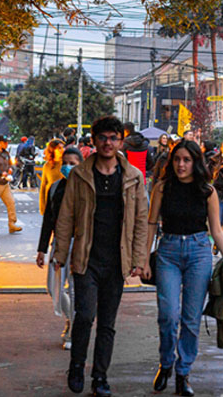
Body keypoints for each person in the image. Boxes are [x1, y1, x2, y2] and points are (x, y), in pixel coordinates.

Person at [54, 116, 149, 396]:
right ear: (94, 141)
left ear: (121, 141)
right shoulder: (80, 174)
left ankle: (100, 377)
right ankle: (76, 365)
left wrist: (139, 259)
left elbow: (141, 220)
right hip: (87, 258)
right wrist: (60, 253)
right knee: (84, 315)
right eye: (103, 137)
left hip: (117, 260)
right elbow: (66, 214)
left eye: (113, 138)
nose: (108, 143)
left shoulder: (133, 176)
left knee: (108, 323)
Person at [146, 139, 223, 396]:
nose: (181, 164)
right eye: (177, 160)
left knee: (191, 319)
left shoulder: (207, 191)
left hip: (198, 252)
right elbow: (151, 224)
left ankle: (183, 373)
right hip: (168, 252)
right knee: (169, 314)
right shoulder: (162, 188)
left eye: (187, 160)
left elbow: (216, 229)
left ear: (196, 162)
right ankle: (166, 362)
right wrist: (142, 259)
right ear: (171, 162)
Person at [37, 147, 84, 350]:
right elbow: (48, 219)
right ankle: (70, 319)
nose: (68, 167)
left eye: (73, 163)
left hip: (79, 244)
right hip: (58, 244)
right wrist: (41, 249)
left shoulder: (86, 188)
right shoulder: (55, 188)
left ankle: (74, 331)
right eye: (65, 162)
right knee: (53, 287)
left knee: (74, 289)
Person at [40, 139, 65, 215]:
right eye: (59, 148)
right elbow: (43, 186)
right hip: (51, 200)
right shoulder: (47, 166)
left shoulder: (67, 164)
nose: (62, 150)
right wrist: (42, 207)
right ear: (52, 150)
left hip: (64, 201)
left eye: (63, 148)